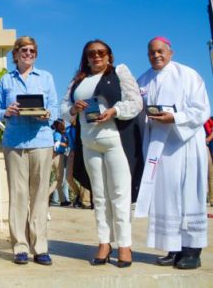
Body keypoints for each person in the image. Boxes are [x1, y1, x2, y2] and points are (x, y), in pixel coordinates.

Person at [61, 39, 143, 268]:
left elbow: (136, 102)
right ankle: (104, 242)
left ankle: (124, 244)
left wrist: (114, 110)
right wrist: (72, 110)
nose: (96, 56)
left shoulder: (119, 72)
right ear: (86, 57)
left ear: (109, 55)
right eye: (91, 53)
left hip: (114, 141)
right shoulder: (78, 80)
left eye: (101, 52)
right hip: (89, 143)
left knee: (119, 194)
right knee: (99, 196)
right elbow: (64, 110)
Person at [135, 36, 209, 269]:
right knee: (165, 198)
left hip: (183, 144)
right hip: (159, 148)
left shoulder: (187, 75)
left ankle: (192, 251)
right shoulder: (144, 80)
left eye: (160, 51)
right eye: (151, 52)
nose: (156, 55)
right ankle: (174, 248)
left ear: (170, 52)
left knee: (187, 196)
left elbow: (201, 109)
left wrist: (175, 118)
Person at [0, 36, 58, 266]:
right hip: (15, 143)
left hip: (41, 141)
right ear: (16, 53)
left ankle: (40, 247)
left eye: (32, 50)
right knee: (18, 196)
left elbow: (55, 107)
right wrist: (6, 112)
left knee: (40, 196)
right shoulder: (5, 80)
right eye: (23, 50)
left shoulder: (47, 78)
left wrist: (48, 114)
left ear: (36, 54)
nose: (28, 54)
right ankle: (20, 246)